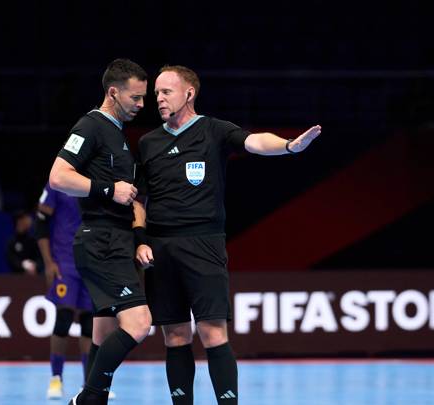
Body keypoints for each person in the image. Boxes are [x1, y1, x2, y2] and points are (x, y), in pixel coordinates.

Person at [134, 65, 321, 405]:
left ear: (189, 93)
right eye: (156, 93)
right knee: (174, 335)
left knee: (212, 332)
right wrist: (141, 238)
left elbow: (255, 141)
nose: (158, 99)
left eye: (166, 92)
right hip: (161, 249)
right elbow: (140, 200)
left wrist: (289, 146)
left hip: (204, 243)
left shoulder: (214, 130)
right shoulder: (149, 143)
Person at [48, 58, 152, 405]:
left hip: (119, 240)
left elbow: (132, 197)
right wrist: (107, 190)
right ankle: (89, 398)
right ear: (113, 92)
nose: (141, 105)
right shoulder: (89, 127)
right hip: (101, 241)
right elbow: (59, 177)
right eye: (135, 98)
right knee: (138, 323)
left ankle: (95, 398)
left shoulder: (118, 135)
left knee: (103, 331)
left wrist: (138, 239)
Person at [37, 183, 115, 400]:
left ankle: (89, 382)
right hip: (64, 261)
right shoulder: (58, 182)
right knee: (63, 317)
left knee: (90, 323)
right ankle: (56, 379)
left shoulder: (96, 180)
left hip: (92, 261)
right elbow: (41, 222)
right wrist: (48, 262)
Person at [6, 210, 41, 275]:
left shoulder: (33, 241)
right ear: (18, 221)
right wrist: (23, 265)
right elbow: (11, 259)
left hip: (34, 277)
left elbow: (39, 258)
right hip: (17, 278)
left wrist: (34, 266)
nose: (28, 221)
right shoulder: (12, 242)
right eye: (24, 219)